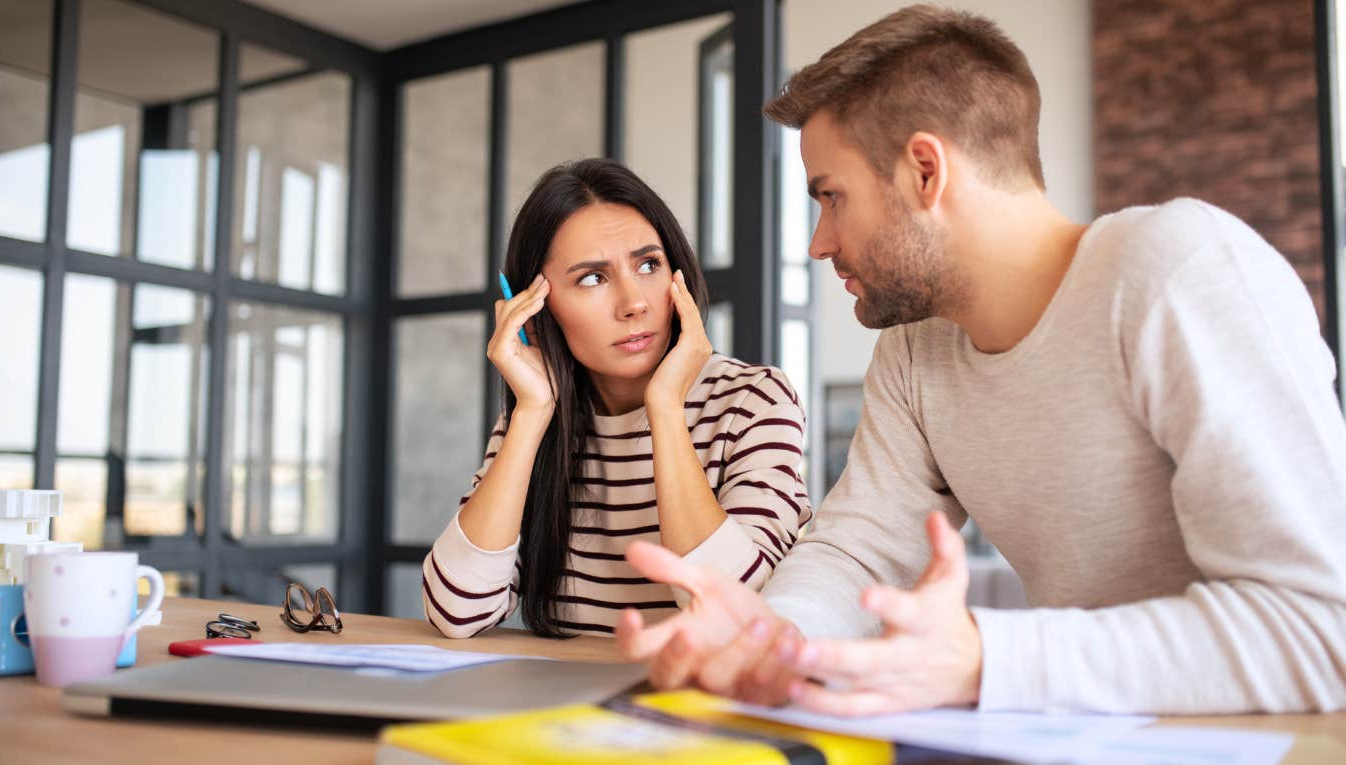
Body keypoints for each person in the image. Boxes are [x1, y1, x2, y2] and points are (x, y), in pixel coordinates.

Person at [616, 5, 1346, 714]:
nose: (819, 242)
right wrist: (771, 640)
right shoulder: (915, 347)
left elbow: (1325, 627)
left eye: (831, 197)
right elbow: (856, 555)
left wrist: (986, 660)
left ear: (925, 172)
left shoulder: (1180, 271)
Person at [422, 158, 813, 639]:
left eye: (649, 265)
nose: (634, 303)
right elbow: (456, 613)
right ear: (534, 308)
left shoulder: (753, 400)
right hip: (565, 706)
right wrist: (531, 414)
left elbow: (734, 616)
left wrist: (665, 409)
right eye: (592, 278)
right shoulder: (539, 415)